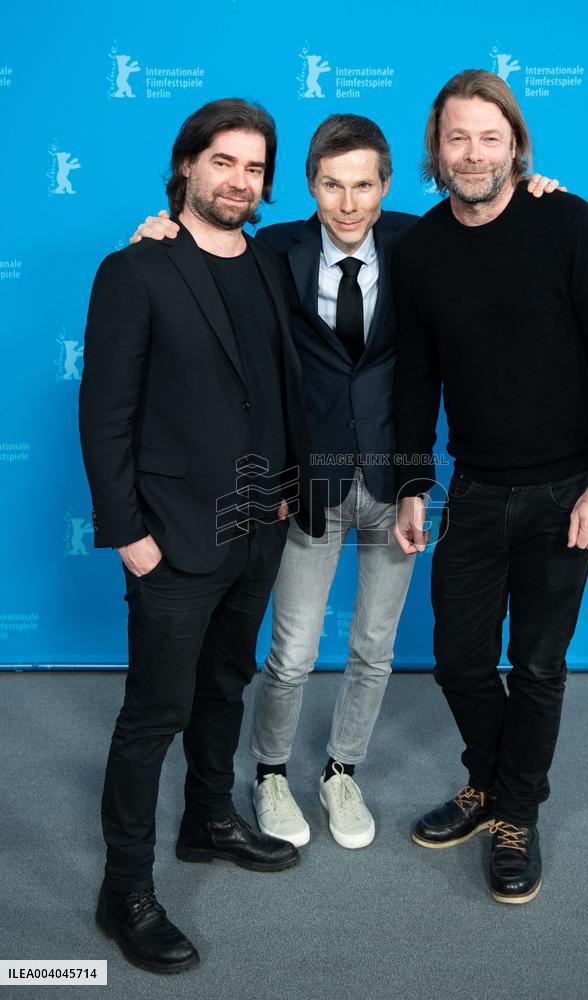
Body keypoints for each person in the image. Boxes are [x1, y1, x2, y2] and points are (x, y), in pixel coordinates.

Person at [131, 116, 560, 852]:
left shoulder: (421, 242)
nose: (349, 201)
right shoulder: (273, 251)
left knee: (374, 646)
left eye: (364, 184)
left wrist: (537, 189)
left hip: (396, 484)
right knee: (292, 651)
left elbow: (495, 218)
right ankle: (269, 774)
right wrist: (159, 230)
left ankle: (341, 770)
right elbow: (205, 261)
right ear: (308, 187)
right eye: (333, 184)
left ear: (387, 186)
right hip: (308, 482)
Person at [79, 98, 324, 974]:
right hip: (171, 539)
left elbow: (377, 219)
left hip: (259, 526)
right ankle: (126, 892)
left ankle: (209, 822)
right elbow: (105, 415)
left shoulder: (265, 260)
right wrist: (127, 536)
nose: (240, 180)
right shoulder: (135, 269)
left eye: (255, 167)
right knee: (154, 715)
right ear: (186, 166)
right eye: (223, 161)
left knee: (226, 686)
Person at [392, 70, 588, 904]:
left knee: (537, 666)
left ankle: (515, 815)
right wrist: (412, 484)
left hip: (564, 492)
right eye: (458, 137)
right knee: (460, 661)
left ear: (516, 146)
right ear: (437, 148)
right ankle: (493, 782)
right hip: (474, 491)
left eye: (489, 137)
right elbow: (416, 378)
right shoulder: (423, 247)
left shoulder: (566, 220)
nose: (473, 153)